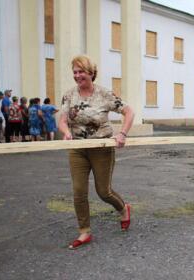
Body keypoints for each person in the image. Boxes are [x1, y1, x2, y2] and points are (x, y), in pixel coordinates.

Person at [58, 55, 134, 249]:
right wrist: (66, 133)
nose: (77, 76)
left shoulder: (104, 94)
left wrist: (122, 134)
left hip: (101, 149)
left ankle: (123, 208)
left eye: (81, 71)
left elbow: (129, 112)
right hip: (78, 150)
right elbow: (62, 120)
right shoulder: (68, 95)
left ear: (91, 72)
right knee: (78, 192)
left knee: (104, 192)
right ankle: (84, 232)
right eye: (75, 72)